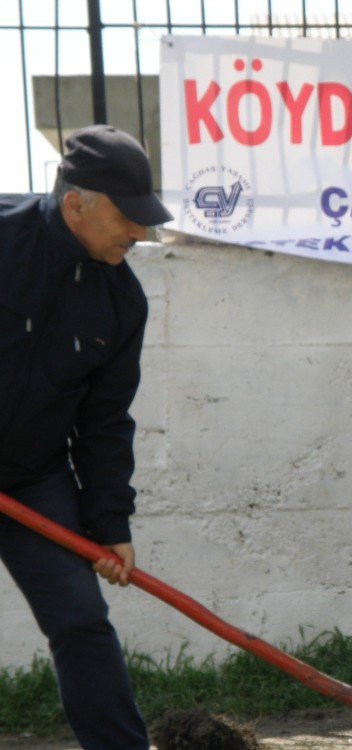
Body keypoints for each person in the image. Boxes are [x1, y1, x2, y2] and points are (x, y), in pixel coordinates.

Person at [0, 125, 172, 749]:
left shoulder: (121, 301)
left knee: (81, 621)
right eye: (129, 218)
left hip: (32, 479)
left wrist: (108, 523)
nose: (141, 233)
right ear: (78, 203)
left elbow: (104, 423)